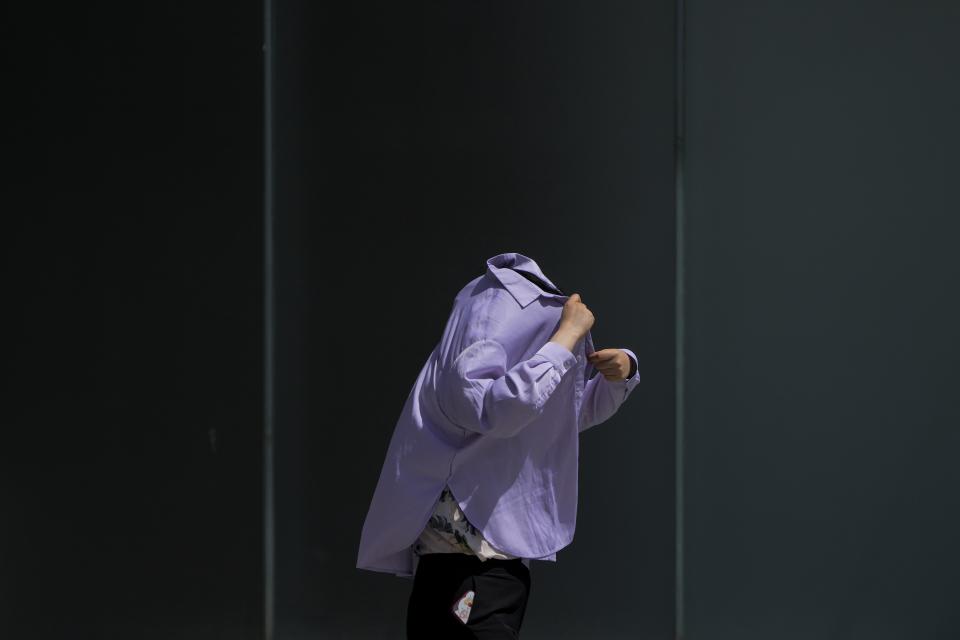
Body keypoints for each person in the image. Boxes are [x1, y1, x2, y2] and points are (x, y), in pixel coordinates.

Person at [356, 251, 641, 638]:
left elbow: (557, 419)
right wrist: (563, 340)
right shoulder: (483, 325)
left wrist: (620, 374)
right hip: (471, 559)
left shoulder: (475, 335)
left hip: (484, 559)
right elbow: (496, 410)